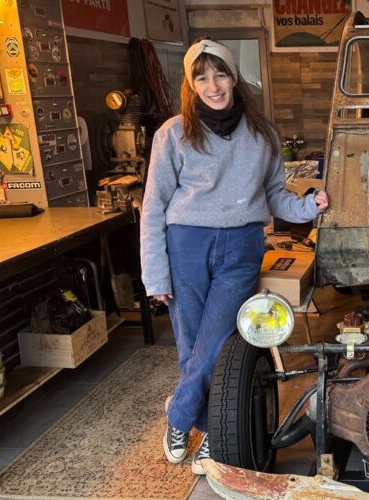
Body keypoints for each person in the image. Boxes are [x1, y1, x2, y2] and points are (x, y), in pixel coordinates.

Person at [140, 39, 329, 475]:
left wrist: (308, 207)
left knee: (220, 339)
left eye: (220, 74)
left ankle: (179, 415)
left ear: (234, 76)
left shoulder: (262, 133)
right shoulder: (172, 133)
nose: (213, 86)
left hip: (241, 246)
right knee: (192, 345)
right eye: (201, 77)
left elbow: (276, 195)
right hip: (185, 244)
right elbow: (153, 206)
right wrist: (156, 275)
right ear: (191, 84)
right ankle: (209, 431)